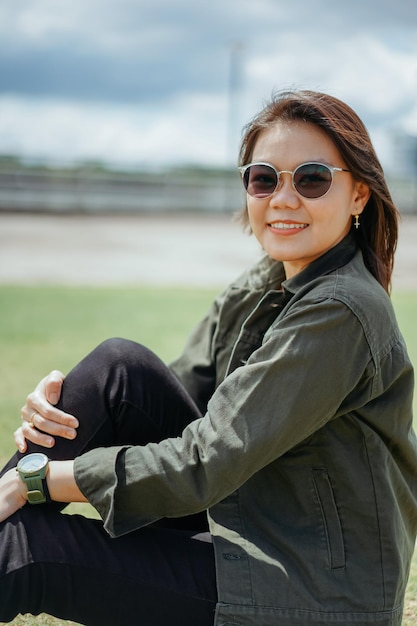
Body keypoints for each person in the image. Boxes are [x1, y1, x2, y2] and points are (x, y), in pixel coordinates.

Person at [0, 89, 416, 626]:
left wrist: (36, 478)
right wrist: (60, 407)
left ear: (359, 195)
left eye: (311, 179)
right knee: (118, 369)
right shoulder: (265, 282)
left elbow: (204, 461)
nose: (283, 199)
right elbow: (155, 404)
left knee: (29, 553)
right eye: (265, 178)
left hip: (309, 586)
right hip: (253, 521)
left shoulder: (341, 310)